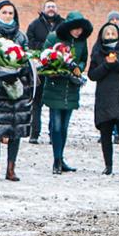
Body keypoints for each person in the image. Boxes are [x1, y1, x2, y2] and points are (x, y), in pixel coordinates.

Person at [0, 0, 35, 181]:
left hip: (17, 87)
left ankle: (11, 169)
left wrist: (20, 70)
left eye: (11, 13)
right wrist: (1, 73)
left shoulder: (21, 36)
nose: (7, 16)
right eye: (4, 12)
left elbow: (26, 58)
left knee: (15, 127)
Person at [41, 12, 90, 174]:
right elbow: (44, 56)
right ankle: (56, 160)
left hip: (71, 87)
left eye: (80, 29)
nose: (77, 32)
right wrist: (55, 67)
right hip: (56, 85)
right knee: (55, 126)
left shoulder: (82, 42)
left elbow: (83, 59)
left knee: (64, 127)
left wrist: (79, 68)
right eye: (75, 28)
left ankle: (61, 158)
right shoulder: (54, 37)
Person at [89, 20, 119, 176]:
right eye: (107, 33)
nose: (110, 36)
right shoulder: (97, 53)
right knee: (105, 133)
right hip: (105, 99)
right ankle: (108, 165)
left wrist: (115, 63)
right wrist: (106, 65)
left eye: (113, 33)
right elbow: (92, 75)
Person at [26, 0, 65, 142]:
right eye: (48, 6)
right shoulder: (34, 25)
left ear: (57, 9)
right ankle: (34, 133)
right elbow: (29, 42)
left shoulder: (63, 24)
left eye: (53, 7)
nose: (51, 9)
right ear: (43, 9)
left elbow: (66, 42)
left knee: (54, 103)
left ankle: (53, 134)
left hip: (57, 69)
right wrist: (46, 49)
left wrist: (57, 52)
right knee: (36, 102)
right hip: (39, 69)